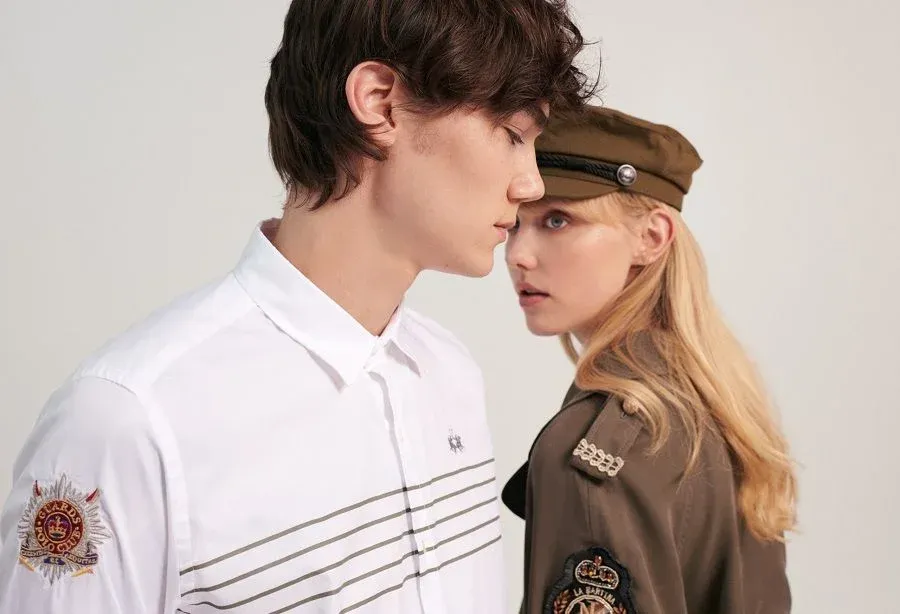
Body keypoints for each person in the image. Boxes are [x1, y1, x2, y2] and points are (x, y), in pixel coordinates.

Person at [0, 1, 595, 612]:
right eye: (513, 135)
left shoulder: (449, 370)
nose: (531, 183)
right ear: (379, 102)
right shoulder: (125, 423)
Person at [501, 106, 797, 613]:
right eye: (514, 223)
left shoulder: (599, 455)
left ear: (651, 237)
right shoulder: (713, 394)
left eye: (557, 219)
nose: (517, 255)